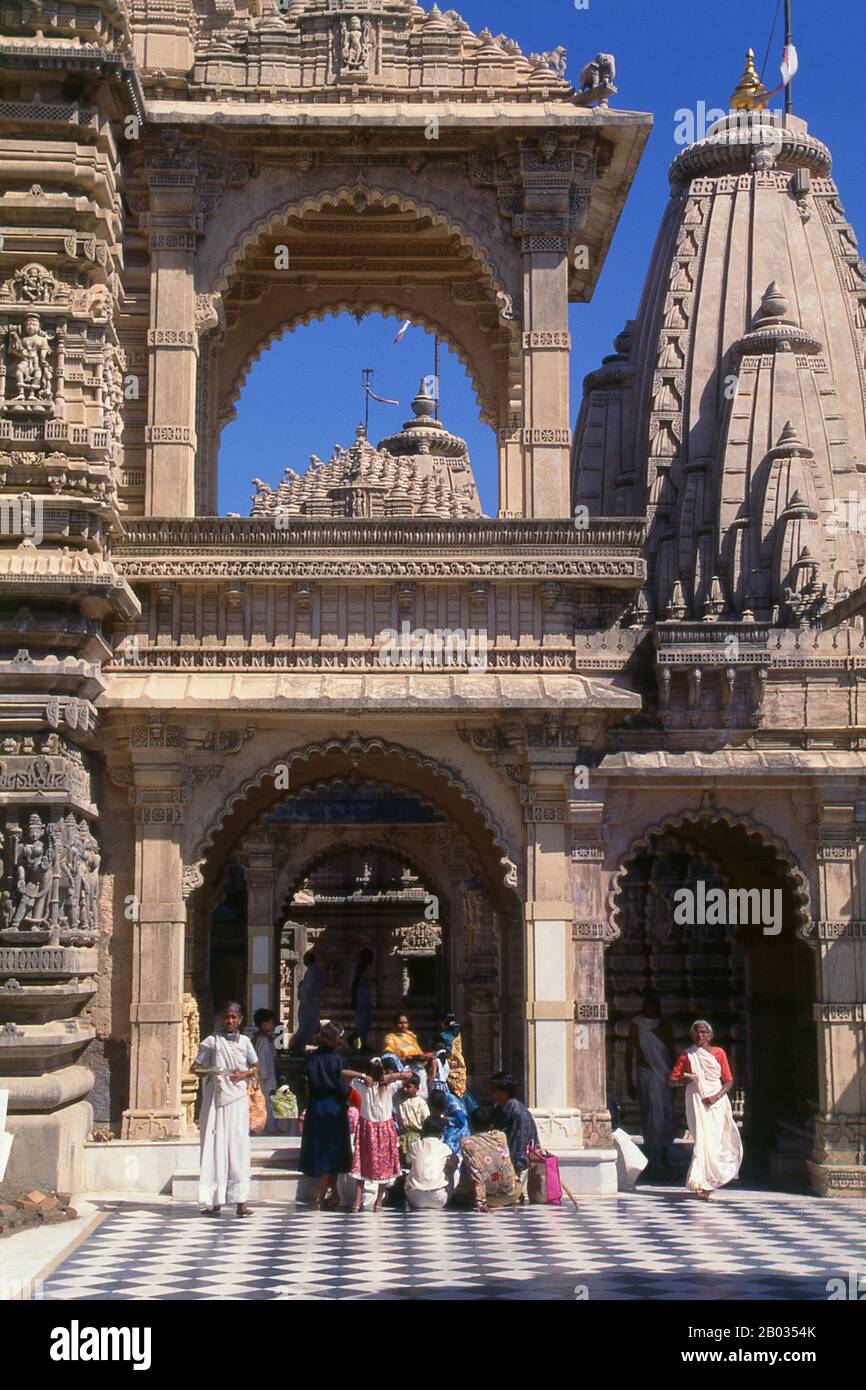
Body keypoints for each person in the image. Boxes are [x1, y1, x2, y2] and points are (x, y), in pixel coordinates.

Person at [192, 1001, 259, 1218]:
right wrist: (208, 1071)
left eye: (234, 1017)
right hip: (217, 1100)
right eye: (226, 1017)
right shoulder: (212, 1041)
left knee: (238, 1147)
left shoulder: (246, 1042)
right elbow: (196, 1067)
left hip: (237, 1098)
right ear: (222, 1018)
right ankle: (215, 1201)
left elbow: (255, 1066)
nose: (230, 1021)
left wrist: (242, 1074)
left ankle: (240, 1201)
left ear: (240, 1019)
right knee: (215, 1146)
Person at [669, 1019, 743, 1200]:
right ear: (692, 1034)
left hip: (716, 1101)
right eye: (696, 1032)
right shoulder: (687, 1055)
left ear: (709, 1035)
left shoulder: (718, 1053)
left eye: (703, 1032)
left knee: (716, 1140)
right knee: (702, 1140)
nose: (700, 1035)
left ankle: (713, 1178)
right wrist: (684, 1080)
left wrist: (715, 1097)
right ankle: (702, 1182)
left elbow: (728, 1080)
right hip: (696, 1099)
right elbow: (672, 1080)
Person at [299, 1022, 369, 1209]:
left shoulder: (310, 1060)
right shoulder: (338, 1061)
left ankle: (335, 1194)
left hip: (316, 1107)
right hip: (334, 1109)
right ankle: (321, 1199)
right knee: (331, 1154)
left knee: (322, 1152)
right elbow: (342, 1085)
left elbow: (304, 1083)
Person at [626, 990, 676, 1176]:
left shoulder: (665, 1026)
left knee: (665, 1114)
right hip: (645, 1073)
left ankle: (662, 1152)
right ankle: (651, 1154)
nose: (649, 1008)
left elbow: (671, 1051)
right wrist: (630, 1081)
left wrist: (675, 1079)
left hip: (663, 1075)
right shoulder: (637, 1025)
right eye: (646, 1004)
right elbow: (630, 1053)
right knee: (651, 1114)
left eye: (652, 1005)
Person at [353, 1057, 405, 1212]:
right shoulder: (388, 1086)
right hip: (381, 1130)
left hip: (367, 1130)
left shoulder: (362, 1085)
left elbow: (343, 1073)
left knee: (362, 1166)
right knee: (384, 1166)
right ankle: (378, 1203)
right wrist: (391, 1077)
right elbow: (409, 1075)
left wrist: (362, 1076)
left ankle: (357, 1203)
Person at [459, 1106, 520, 1212]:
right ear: (491, 1125)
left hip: (490, 1199)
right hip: (513, 1194)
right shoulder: (501, 1136)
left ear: (471, 1125)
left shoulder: (467, 1143)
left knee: (459, 1195)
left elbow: (475, 1173)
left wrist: (480, 1202)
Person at [490, 1072, 538, 1191]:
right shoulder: (499, 1109)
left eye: (494, 1090)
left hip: (518, 1165)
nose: (490, 1093)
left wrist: (513, 1172)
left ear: (504, 1093)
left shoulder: (519, 1114)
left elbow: (519, 1146)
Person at [405, 1116, 457, 1210]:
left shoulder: (414, 1146)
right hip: (439, 1199)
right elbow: (454, 1164)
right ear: (441, 1133)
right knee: (455, 1172)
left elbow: (408, 1162)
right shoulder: (444, 1148)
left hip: (416, 1198)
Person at [253, 1008, 279, 1135]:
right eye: (270, 1022)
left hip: (266, 1076)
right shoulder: (262, 1040)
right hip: (265, 1077)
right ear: (263, 1023)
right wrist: (264, 1076)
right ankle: (268, 1127)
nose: (272, 1025)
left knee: (268, 1102)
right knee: (266, 1102)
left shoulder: (264, 1039)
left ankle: (270, 1126)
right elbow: (262, 1059)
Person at [293, 950, 325, 1052]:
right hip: (313, 1002)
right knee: (311, 1024)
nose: (304, 962)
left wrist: (301, 986)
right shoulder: (316, 970)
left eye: (304, 960)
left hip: (309, 1003)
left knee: (305, 1025)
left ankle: (298, 1046)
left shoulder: (312, 971)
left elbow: (309, 989)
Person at [434, 1013, 469, 1101]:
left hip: (449, 1067)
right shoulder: (458, 1033)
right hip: (460, 1066)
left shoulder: (444, 1035)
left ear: (443, 1023)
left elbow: (447, 1053)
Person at [428, 1084, 470, 1156]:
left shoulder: (453, 1103)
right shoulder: (438, 1100)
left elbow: (461, 1121)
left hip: (459, 1128)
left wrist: (446, 1119)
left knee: (448, 1147)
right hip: (446, 1126)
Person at [396, 1071, 429, 1160]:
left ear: (417, 1088)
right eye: (404, 1087)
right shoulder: (401, 1102)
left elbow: (426, 1120)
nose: (405, 1089)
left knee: (414, 1159)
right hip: (403, 1135)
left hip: (416, 1136)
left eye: (408, 1087)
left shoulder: (421, 1103)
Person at [351, 948, 374, 1049]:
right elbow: (354, 983)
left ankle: (359, 1040)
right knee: (363, 1020)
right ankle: (362, 1043)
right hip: (360, 995)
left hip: (365, 995)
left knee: (367, 1020)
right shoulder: (360, 967)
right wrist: (354, 1000)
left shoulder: (367, 967)